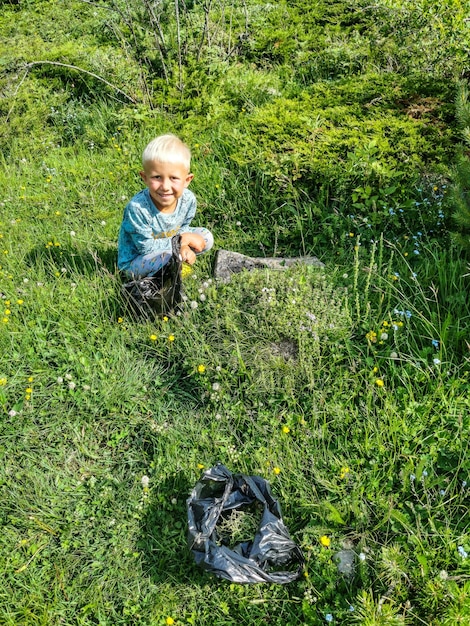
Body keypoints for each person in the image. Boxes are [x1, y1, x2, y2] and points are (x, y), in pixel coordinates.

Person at [118, 134, 213, 279]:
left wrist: (184, 244)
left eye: (174, 178)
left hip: (171, 243)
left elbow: (184, 227)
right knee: (169, 257)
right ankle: (174, 269)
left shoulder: (188, 199)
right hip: (137, 260)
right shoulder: (137, 208)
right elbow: (146, 248)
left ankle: (179, 261)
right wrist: (182, 241)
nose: (165, 187)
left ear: (187, 180)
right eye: (157, 177)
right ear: (144, 178)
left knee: (206, 237)